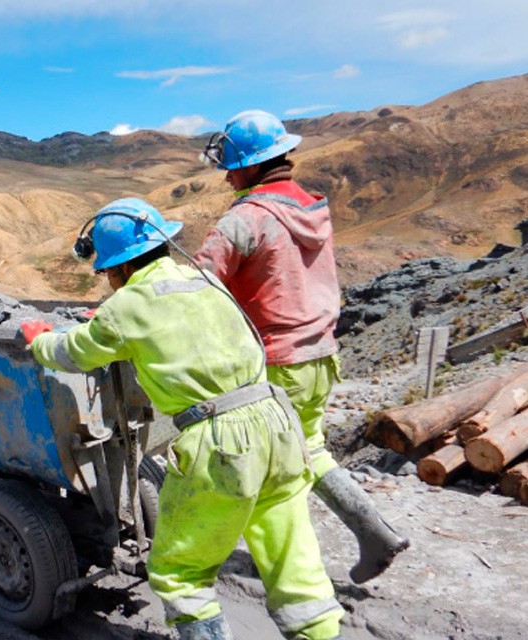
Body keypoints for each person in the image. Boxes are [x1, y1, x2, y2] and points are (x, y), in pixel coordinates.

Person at [21, 198, 343, 640]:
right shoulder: (205, 279)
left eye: (106, 273)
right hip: (278, 421)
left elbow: (74, 352)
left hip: (222, 440)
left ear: (118, 269)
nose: (108, 283)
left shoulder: (127, 305)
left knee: (178, 571)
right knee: (291, 558)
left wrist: (40, 340)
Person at [194, 109, 409, 583]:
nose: (228, 176)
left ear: (252, 165)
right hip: (320, 355)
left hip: (275, 363)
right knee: (308, 449)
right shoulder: (312, 207)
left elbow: (198, 286)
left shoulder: (244, 220)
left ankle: (290, 576)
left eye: (232, 165)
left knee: (269, 477)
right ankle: (373, 530)